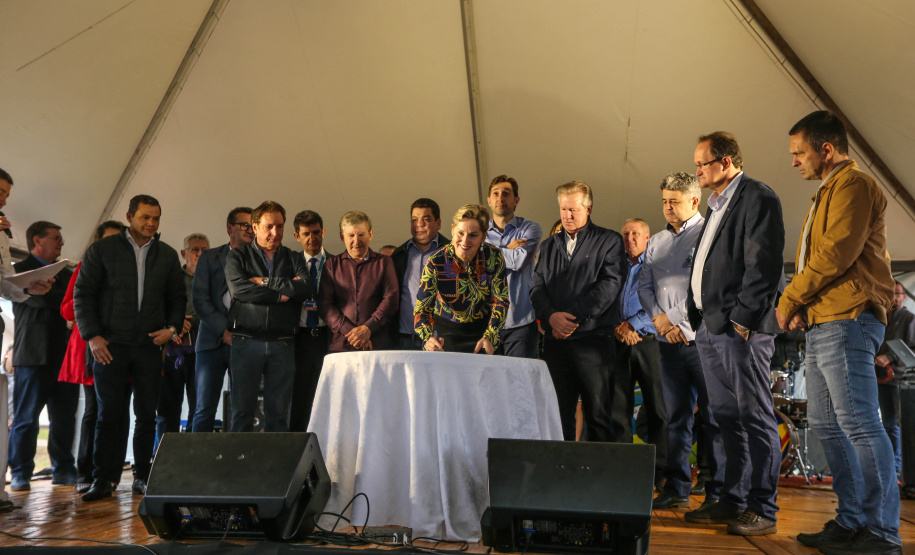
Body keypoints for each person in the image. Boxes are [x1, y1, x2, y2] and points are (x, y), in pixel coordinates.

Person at [777, 111, 901, 554]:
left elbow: (835, 255)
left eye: (799, 152)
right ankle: (851, 521)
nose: (794, 162)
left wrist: (790, 299)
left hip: (849, 317)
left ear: (826, 149)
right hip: (826, 319)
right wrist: (804, 307)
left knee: (861, 426)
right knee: (829, 426)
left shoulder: (855, 186)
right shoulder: (828, 192)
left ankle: (882, 531)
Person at [684, 132, 784, 535]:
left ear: (726, 162)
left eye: (702, 163)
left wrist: (743, 319)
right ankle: (732, 499)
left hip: (739, 330)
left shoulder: (757, 197)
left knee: (755, 416)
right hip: (710, 328)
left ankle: (763, 506)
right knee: (724, 416)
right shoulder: (716, 205)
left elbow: (763, 264)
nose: (697, 171)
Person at [74, 194, 186, 501]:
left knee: (147, 415)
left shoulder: (166, 255)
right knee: (108, 414)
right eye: (144, 217)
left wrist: (172, 329)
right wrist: (93, 336)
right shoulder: (101, 250)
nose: (151, 223)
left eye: (156, 218)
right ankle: (103, 479)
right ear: (129, 216)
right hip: (110, 345)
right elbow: (82, 296)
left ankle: (142, 476)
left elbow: (177, 298)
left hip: (149, 346)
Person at [639, 172, 725, 511]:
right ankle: (676, 487)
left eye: (674, 202)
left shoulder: (709, 235)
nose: (667, 208)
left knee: (714, 418)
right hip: (667, 342)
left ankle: (717, 491)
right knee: (674, 417)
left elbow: (706, 288)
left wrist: (673, 319)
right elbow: (644, 287)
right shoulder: (657, 241)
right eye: (664, 201)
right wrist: (661, 323)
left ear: (694, 200)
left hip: (702, 340)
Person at [531, 181, 626, 441]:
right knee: (558, 413)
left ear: (589, 208)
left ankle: (599, 478)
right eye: (563, 209)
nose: (567, 215)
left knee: (598, 414)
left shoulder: (609, 241)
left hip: (593, 341)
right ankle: (563, 475)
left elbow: (609, 286)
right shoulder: (548, 246)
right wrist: (551, 317)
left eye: (573, 210)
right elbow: (537, 288)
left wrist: (569, 320)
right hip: (555, 344)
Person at [59, 220, 131, 494]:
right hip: (94, 349)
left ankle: (112, 474)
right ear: (96, 243)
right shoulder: (85, 266)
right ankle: (86, 472)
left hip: (126, 348)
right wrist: (96, 314)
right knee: (95, 411)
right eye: (107, 240)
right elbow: (67, 309)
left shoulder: (133, 270)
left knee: (121, 410)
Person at [225, 201, 309, 433]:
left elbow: (303, 289)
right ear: (254, 226)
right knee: (241, 413)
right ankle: (240, 467)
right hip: (245, 341)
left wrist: (264, 281)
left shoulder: (294, 258)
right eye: (269, 227)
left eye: (280, 226)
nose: (275, 233)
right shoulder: (237, 257)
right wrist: (281, 294)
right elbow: (240, 290)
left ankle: (276, 469)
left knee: (279, 415)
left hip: (282, 343)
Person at [8, 221, 78, 492]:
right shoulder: (17, 272)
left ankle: (63, 468)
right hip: (33, 354)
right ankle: (21, 472)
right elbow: (52, 302)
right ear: (37, 240)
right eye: (56, 238)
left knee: (64, 418)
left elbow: (73, 302)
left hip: (64, 355)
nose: (61, 243)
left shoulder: (67, 272)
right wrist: (60, 299)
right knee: (27, 418)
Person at [611, 218, 666, 485]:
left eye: (635, 233)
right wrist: (619, 328)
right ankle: (623, 473)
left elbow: (661, 303)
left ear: (648, 237)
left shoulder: (657, 266)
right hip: (618, 342)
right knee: (618, 409)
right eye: (625, 234)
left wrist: (632, 324)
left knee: (657, 409)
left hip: (649, 343)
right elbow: (606, 299)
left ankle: (659, 473)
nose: (629, 238)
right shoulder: (614, 265)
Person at [190, 207, 254, 433]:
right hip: (211, 342)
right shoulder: (209, 257)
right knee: (204, 409)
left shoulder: (260, 260)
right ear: (229, 228)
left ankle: (238, 461)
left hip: (245, 342)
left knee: (243, 409)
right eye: (244, 225)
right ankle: (199, 465)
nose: (250, 230)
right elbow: (200, 300)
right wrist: (223, 330)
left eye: (252, 225)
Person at [414, 204, 508, 354]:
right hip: (445, 336)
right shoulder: (435, 262)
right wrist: (429, 338)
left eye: (473, 235)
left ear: (484, 236)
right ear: (452, 230)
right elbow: (422, 310)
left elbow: (500, 301)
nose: (465, 241)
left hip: (483, 334)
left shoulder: (494, 257)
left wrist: (491, 336)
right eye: (460, 233)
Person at [154, 233, 208, 448]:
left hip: (202, 351)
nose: (200, 254)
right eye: (195, 249)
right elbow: (158, 305)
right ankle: (163, 457)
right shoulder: (172, 278)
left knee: (200, 407)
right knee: (167, 408)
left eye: (205, 250)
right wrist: (173, 323)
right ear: (184, 253)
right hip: (171, 351)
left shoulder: (213, 279)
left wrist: (188, 321)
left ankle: (192, 456)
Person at [319, 211, 398, 352]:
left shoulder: (385, 263)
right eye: (351, 235)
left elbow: (391, 300)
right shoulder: (331, 265)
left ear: (371, 234)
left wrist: (368, 328)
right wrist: (352, 333)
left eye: (361, 234)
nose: (356, 241)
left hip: (377, 346)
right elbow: (325, 305)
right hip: (341, 347)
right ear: (342, 237)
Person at [485, 175, 542, 358]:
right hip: (486, 324)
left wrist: (489, 252)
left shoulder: (530, 229)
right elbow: (473, 262)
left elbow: (518, 262)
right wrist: (506, 250)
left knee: (520, 383)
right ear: (489, 200)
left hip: (520, 324)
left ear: (516, 200)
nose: (500, 198)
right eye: (496, 193)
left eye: (506, 193)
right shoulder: (478, 232)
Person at [391, 199, 449, 350]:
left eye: (426, 219)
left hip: (440, 340)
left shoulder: (452, 253)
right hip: (405, 338)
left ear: (439, 223)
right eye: (414, 220)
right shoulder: (399, 254)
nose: (419, 224)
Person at [290, 210, 330, 431]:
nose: (312, 238)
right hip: (299, 337)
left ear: (323, 232)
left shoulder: (336, 263)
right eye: (306, 234)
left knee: (324, 395)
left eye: (316, 232)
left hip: (327, 336)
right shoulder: (290, 265)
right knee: (299, 397)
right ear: (297, 236)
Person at [874, 283, 914, 480]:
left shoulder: (909, 319)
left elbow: (912, 349)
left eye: (897, 294)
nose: (894, 297)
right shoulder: (882, 318)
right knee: (884, 423)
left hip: (899, 378)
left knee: (894, 424)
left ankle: (897, 469)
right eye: (892, 294)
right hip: (878, 376)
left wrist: (889, 357)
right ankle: (888, 467)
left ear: (904, 296)